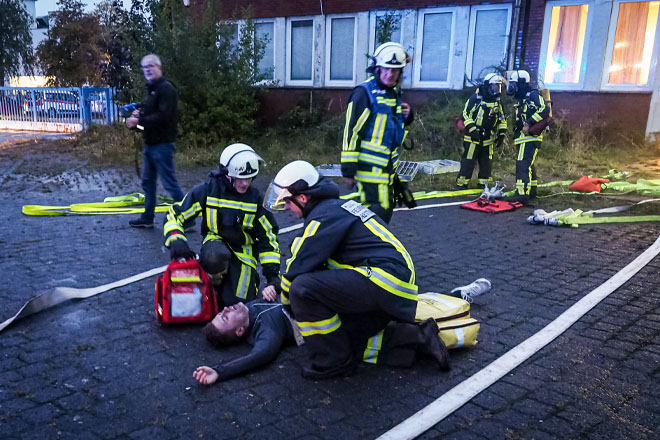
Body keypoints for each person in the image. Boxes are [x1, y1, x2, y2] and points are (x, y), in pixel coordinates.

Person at [262, 160, 449, 379]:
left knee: (302, 289)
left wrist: (288, 306)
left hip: (384, 279)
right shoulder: (333, 207)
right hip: (392, 284)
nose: (286, 208)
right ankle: (419, 337)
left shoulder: (323, 217)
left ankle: (333, 363)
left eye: (287, 202)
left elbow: (296, 268)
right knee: (338, 337)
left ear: (302, 197)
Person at [193, 299, 449, 385]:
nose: (225, 309)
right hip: (329, 319)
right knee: (356, 347)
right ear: (239, 332)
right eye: (225, 318)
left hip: (328, 306)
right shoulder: (264, 329)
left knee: (361, 345)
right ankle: (418, 341)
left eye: (221, 312)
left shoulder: (250, 305)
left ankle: (417, 342)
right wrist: (220, 371)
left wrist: (271, 285)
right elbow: (261, 356)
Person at [164, 143, 281, 308]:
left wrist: (272, 276)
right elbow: (174, 214)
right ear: (227, 175)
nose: (244, 184)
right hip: (216, 245)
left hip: (244, 255)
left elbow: (268, 238)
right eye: (240, 178)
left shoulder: (256, 200)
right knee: (214, 256)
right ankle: (214, 282)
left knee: (239, 305)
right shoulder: (208, 191)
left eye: (249, 178)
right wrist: (176, 240)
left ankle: (228, 285)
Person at [340, 42, 415, 224]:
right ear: (377, 68)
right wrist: (349, 170)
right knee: (376, 216)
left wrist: (408, 117)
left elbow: (390, 132)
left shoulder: (392, 95)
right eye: (386, 69)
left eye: (395, 71)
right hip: (368, 171)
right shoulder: (364, 93)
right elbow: (352, 132)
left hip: (387, 171)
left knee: (380, 215)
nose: (390, 74)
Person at [127, 54, 185, 228]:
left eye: (151, 66)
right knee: (148, 182)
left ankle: (187, 217)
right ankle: (147, 218)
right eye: (145, 68)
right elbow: (150, 114)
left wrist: (139, 121)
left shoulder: (167, 89)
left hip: (163, 145)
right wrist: (138, 116)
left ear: (159, 67)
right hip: (151, 144)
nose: (148, 70)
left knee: (170, 184)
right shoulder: (152, 89)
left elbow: (163, 116)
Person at [455, 73, 507, 190]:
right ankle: (462, 184)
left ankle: (484, 184)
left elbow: (502, 119)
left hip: (488, 137)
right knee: (468, 161)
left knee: (486, 162)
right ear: (487, 86)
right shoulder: (476, 99)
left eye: (498, 87)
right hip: (473, 137)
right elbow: (465, 114)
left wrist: (501, 133)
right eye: (494, 87)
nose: (496, 91)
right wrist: (473, 129)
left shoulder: (497, 102)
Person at [506, 70, 550, 204]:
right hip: (523, 137)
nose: (512, 87)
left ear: (520, 83)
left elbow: (544, 110)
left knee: (522, 164)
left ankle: (521, 193)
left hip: (530, 137)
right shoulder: (523, 97)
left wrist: (529, 122)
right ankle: (531, 191)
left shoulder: (532, 95)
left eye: (514, 84)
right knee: (528, 164)